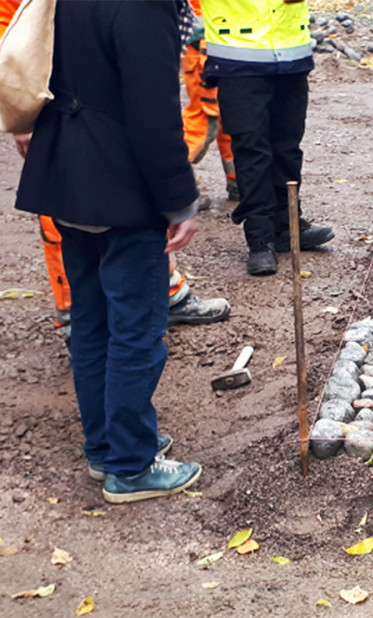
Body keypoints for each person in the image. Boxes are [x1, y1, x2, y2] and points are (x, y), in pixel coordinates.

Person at [14, 0, 202, 503]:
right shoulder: (146, 6)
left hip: (68, 177)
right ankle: (131, 465)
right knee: (136, 329)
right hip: (119, 185)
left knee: (93, 321)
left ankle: (106, 446)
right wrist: (179, 199)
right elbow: (152, 112)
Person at [200, 0, 334, 276]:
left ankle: (288, 226)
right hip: (238, 58)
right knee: (252, 150)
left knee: (288, 147)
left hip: (291, 54)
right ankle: (260, 239)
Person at [182, 0, 238, 203]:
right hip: (206, 45)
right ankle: (174, 187)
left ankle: (237, 181)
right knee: (206, 118)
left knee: (228, 116)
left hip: (215, 41)